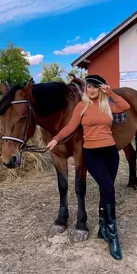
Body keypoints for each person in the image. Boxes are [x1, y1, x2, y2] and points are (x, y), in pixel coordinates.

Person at [47, 74, 130, 260]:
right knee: (109, 189)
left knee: (105, 189)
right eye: (88, 87)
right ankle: (113, 235)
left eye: (94, 87)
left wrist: (111, 93)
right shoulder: (81, 106)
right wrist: (56, 139)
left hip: (110, 152)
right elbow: (70, 127)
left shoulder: (107, 104)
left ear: (101, 88)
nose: (91, 90)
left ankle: (102, 227)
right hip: (91, 153)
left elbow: (126, 106)